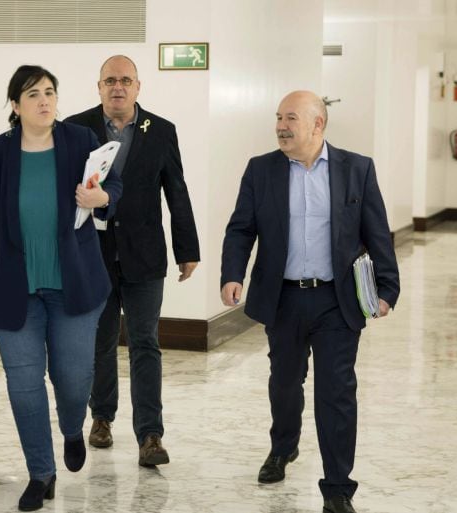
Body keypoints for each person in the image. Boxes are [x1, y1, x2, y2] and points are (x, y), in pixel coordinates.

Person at [0, 65, 122, 512]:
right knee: (24, 385)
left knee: (72, 379)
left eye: (50, 92)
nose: (45, 101)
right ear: (15, 105)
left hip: (75, 286)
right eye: (33, 95)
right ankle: (40, 473)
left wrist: (102, 199)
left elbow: (114, 186)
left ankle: (71, 428)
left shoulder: (80, 142)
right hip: (14, 289)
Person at [220, 91, 400, 513]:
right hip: (282, 298)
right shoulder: (261, 169)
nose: (281, 126)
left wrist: (387, 288)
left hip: (337, 301)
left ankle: (337, 487)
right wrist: (232, 273)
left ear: (318, 125)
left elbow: (376, 231)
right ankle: (283, 448)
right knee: (284, 383)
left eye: (291, 119)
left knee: (336, 392)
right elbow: (241, 228)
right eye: (279, 118)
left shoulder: (356, 169)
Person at [65, 55, 200, 466]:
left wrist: (187, 249)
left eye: (126, 80)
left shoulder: (160, 131)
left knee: (145, 343)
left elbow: (176, 190)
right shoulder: (75, 128)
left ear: (138, 87)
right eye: (110, 81)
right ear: (99, 87)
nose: (118, 87)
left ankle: (150, 435)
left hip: (144, 256)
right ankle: (102, 418)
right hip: (93, 256)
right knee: (100, 343)